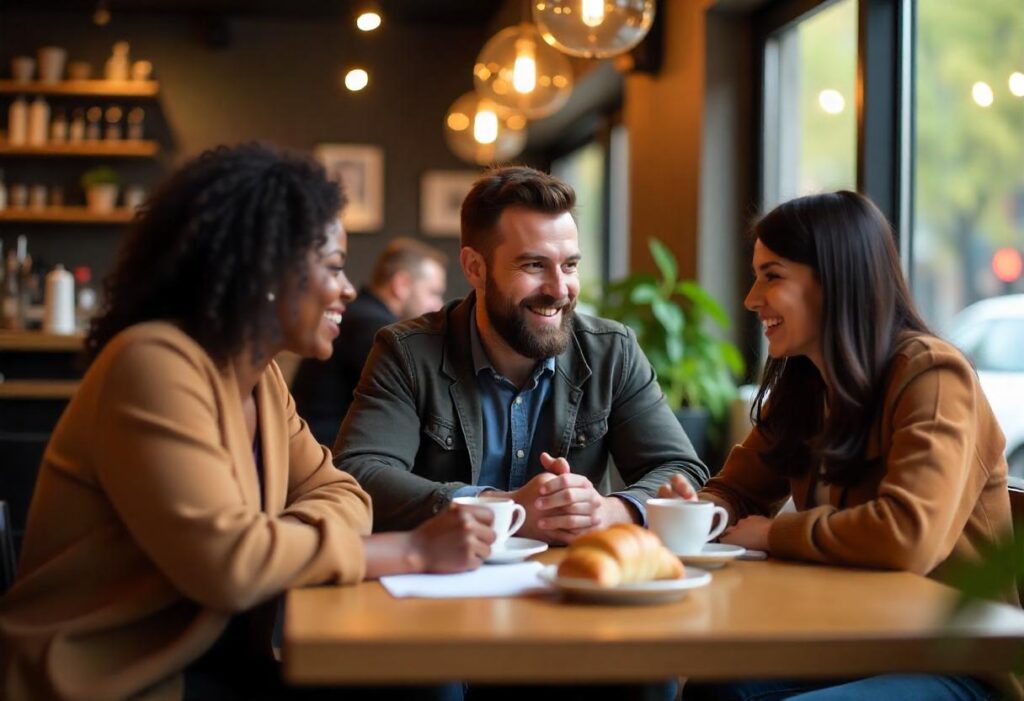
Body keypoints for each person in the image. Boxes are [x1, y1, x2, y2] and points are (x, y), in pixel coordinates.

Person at [0, 144, 494, 701]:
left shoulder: (261, 380)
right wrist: (413, 552)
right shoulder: (153, 363)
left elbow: (345, 493)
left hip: (218, 660)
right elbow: (230, 564)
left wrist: (277, 539)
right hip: (114, 677)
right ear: (264, 270)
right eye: (332, 266)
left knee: (426, 684)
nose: (349, 290)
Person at [659, 191, 1018, 701]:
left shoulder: (933, 374)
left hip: (958, 660)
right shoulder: (806, 383)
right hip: (860, 638)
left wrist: (774, 533)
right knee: (716, 690)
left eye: (772, 275)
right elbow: (738, 490)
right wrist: (699, 510)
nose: (750, 298)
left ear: (834, 281)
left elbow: (907, 536)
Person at [335, 165, 708, 544]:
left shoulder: (613, 351)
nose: (559, 289)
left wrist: (611, 511)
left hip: (572, 585)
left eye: (570, 265)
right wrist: (502, 508)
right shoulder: (407, 352)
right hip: (446, 583)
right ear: (475, 268)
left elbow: (681, 470)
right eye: (534, 265)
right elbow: (360, 473)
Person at [291, 237, 448, 445]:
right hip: (322, 456)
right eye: (433, 293)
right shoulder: (372, 327)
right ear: (401, 285)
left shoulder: (361, 315)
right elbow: (425, 399)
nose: (439, 306)